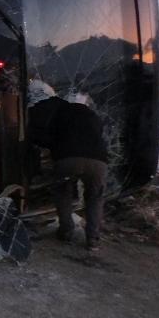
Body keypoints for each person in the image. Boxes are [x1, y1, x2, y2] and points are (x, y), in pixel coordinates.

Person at [27, 95, 108, 251]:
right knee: (95, 198)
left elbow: (50, 138)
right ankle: (93, 239)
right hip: (98, 162)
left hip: (68, 160)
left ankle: (66, 231)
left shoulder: (61, 114)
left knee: (63, 194)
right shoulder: (94, 117)